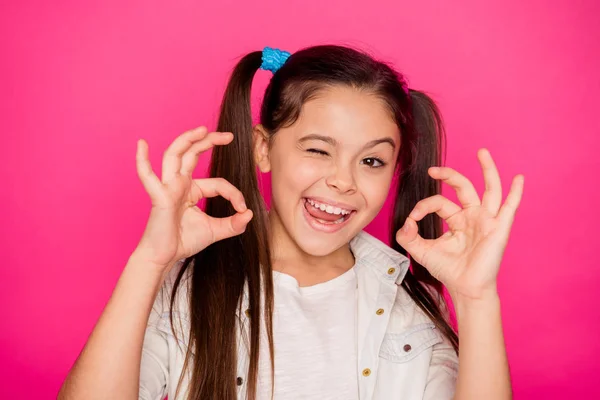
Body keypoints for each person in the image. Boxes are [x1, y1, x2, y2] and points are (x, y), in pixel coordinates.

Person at [58, 45, 524, 400]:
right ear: (264, 147)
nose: (342, 181)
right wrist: (149, 261)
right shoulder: (187, 289)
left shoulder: (412, 303)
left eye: (373, 161)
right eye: (318, 150)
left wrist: (478, 299)